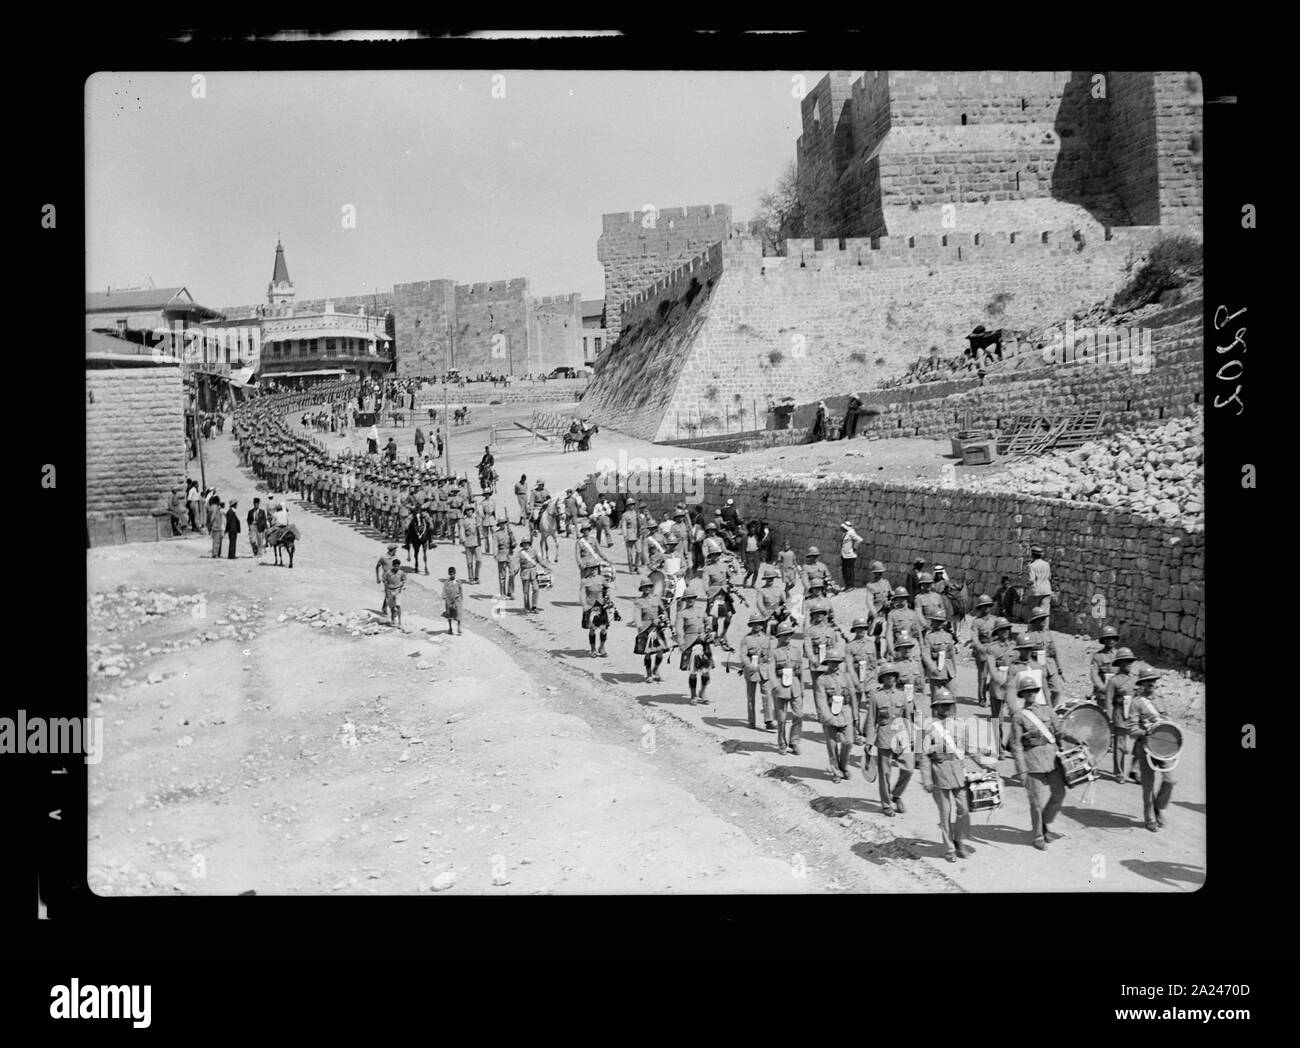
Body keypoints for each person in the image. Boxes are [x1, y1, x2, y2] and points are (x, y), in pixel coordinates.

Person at [919, 687, 997, 862]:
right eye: (942, 705)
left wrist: (987, 764)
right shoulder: (928, 728)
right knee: (945, 813)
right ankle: (949, 849)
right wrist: (926, 780)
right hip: (939, 776)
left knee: (964, 810)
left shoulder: (960, 725)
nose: (946, 708)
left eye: (949, 705)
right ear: (936, 707)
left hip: (958, 774)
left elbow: (970, 750)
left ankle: (959, 840)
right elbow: (924, 756)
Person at [1009, 672, 1071, 851]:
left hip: (1052, 759)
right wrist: (1021, 770)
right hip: (1032, 761)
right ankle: (1037, 835)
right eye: (1026, 692)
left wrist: (1075, 738)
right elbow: (1016, 745)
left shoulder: (1047, 710)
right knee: (1036, 802)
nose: (1030, 694)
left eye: (1033, 690)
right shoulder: (1018, 716)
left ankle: (1045, 822)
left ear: (1037, 691)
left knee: (1059, 794)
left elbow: (1059, 731)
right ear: (1022, 694)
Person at [862, 663, 916, 816]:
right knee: (885, 773)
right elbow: (872, 721)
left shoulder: (902, 695)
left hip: (901, 736)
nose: (890, 677)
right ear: (882, 678)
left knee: (909, 768)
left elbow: (907, 717)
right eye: (887, 675)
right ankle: (886, 804)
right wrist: (869, 741)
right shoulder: (876, 697)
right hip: (884, 736)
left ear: (896, 678)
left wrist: (911, 737)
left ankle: (896, 794)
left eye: (893, 675)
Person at [1129, 663, 1176, 832]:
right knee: (1148, 786)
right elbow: (1132, 730)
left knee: (1170, 780)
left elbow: (1168, 721)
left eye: (1153, 681)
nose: (1151, 684)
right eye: (1147, 681)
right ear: (1141, 684)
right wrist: (1145, 731)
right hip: (1146, 748)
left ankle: (1159, 807)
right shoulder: (1136, 703)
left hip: (1164, 747)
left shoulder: (1161, 700)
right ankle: (1150, 819)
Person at [813, 648, 857, 782]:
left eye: (837, 662)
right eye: (832, 662)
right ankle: (836, 771)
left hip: (845, 712)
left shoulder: (846, 676)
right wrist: (828, 718)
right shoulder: (821, 679)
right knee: (832, 746)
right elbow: (820, 700)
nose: (835, 665)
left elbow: (853, 695)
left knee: (848, 741)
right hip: (830, 713)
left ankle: (843, 766)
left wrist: (855, 715)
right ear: (828, 662)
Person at [769, 622, 809, 755]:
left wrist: (802, 688)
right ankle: (782, 743)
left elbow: (801, 671)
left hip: (795, 686)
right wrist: (775, 686)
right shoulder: (774, 652)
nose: (787, 637)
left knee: (798, 714)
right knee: (781, 718)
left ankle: (794, 741)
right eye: (784, 635)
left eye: (789, 635)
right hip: (781, 686)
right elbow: (770, 671)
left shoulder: (797, 650)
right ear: (779, 636)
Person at [1101, 647, 1140, 782]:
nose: (1129, 664)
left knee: (1141, 741)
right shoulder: (1114, 681)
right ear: (1120, 663)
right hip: (1120, 713)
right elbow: (1108, 701)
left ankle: (1136, 769)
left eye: (1130, 661)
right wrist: (1111, 718)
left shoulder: (1135, 680)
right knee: (1120, 745)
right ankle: (1119, 772)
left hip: (1134, 715)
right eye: (1126, 661)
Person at [675, 587, 714, 705]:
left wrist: (708, 631)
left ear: (695, 599)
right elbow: (679, 630)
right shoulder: (681, 614)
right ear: (685, 600)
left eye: (692, 598)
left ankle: (703, 691)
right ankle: (693, 695)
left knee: (706, 670)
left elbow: (708, 622)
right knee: (693, 671)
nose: (690, 600)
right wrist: (681, 643)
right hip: (690, 643)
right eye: (687, 599)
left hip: (703, 643)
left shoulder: (701, 611)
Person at [738, 612, 776, 731]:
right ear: (751, 625)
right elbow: (743, 655)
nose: (757, 626)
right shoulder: (746, 639)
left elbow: (770, 654)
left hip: (764, 669)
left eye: (759, 624)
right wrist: (749, 665)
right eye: (755, 624)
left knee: (767, 695)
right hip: (751, 670)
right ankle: (751, 720)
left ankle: (768, 720)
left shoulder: (766, 638)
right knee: (751, 696)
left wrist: (769, 662)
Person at [634, 577, 671, 683]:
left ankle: (656, 669)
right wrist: (640, 628)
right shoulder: (639, 602)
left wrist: (665, 618)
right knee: (648, 653)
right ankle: (649, 674)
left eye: (649, 587)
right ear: (642, 589)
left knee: (660, 651)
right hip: (645, 629)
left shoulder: (656, 599)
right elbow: (637, 617)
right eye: (645, 587)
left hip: (657, 627)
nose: (647, 589)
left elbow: (663, 610)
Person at [1089, 625, 1121, 703]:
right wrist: (1103, 688)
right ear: (1103, 640)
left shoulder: (1120, 655)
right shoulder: (1098, 656)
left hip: (1119, 691)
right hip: (1104, 692)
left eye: (1113, 638)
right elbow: (1094, 675)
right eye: (1108, 638)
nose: (1111, 641)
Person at [1026, 544, 1053, 626]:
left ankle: (1031, 629)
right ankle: (1045, 629)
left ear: (1032, 555)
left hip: (1035, 591)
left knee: (1033, 611)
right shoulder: (1046, 564)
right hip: (1046, 590)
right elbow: (1049, 577)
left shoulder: (1032, 566)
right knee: (1045, 612)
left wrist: (1027, 583)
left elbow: (1031, 579)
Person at [457, 505, 482, 584]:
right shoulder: (464, 521)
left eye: (471, 510)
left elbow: (480, 526)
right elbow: (461, 531)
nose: (470, 512)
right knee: (469, 562)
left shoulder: (476, 518)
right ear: (465, 512)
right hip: (468, 541)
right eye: (468, 511)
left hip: (477, 541)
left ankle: (477, 577)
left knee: (479, 560)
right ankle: (471, 577)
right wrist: (463, 540)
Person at [838, 521, 862, 589]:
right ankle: (847, 585)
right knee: (844, 570)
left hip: (850, 556)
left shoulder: (851, 533)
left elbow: (859, 540)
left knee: (849, 571)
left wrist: (854, 548)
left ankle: (850, 585)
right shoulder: (845, 534)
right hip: (844, 555)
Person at [383, 558, 405, 627]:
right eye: (395, 566)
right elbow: (384, 580)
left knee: (398, 605)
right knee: (392, 606)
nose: (397, 567)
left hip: (398, 590)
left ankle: (400, 621)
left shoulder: (401, 572)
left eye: (398, 566)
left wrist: (402, 586)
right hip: (390, 590)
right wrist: (386, 586)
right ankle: (393, 619)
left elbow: (403, 580)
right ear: (393, 565)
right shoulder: (388, 573)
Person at [442, 567, 464, 635]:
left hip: (457, 600)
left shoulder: (458, 582)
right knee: (449, 614)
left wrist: (461, 598)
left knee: (458, 613)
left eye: (453, 574)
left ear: (455, 573)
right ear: (449, 574)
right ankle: (450, 628)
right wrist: (444, 596)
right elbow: (444, 590)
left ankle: (459, 628)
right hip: (449, 600)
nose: (452, 575)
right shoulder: (447, 582)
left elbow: (461, 591)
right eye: (451, 574)